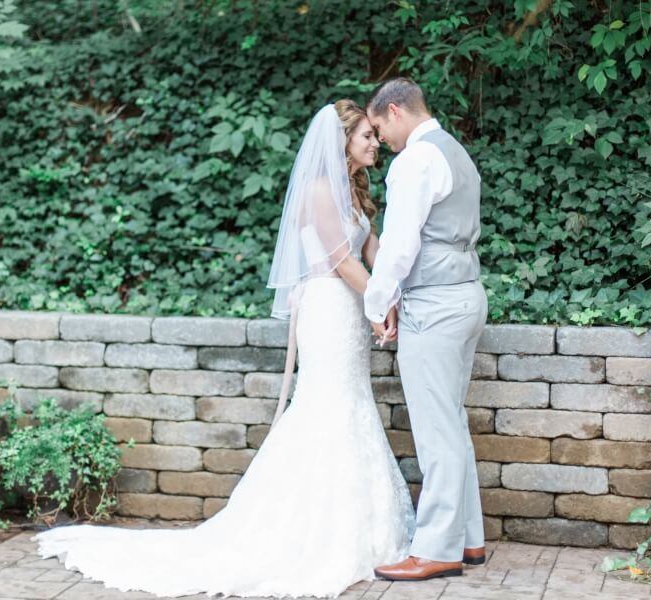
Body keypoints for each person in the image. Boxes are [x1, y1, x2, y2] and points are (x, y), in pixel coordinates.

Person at [33, 100, 415, 598]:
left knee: (353, 404)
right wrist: (379, 305)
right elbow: (342, 263)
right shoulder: (319, 192)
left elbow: (371, 251)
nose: (373, 142)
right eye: (366, 135)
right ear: (342, 140)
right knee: (326, 406)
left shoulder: (355, 192)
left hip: (351, 311)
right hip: (328, 310)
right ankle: (304, 532)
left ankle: (362, 528)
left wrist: (391, 298)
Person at [364, 77, 488, 582]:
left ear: (394, 111)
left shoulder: (415, 160)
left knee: (437, 432)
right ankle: (470, 540)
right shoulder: (455, 150)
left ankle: (437, 547)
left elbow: (398, 244)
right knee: (451, 423)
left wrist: (378, 301)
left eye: (378, 128)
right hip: (467, 296)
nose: (381, 140)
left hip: (433, 306)